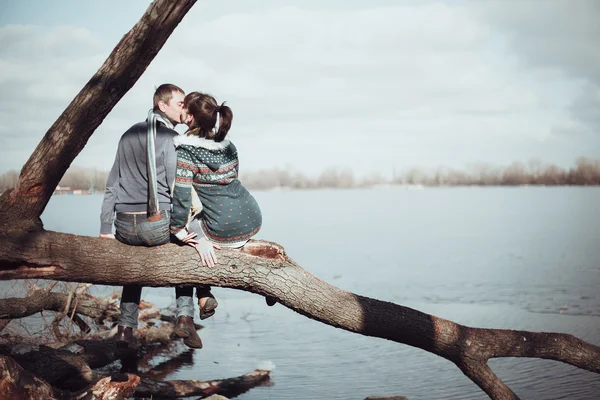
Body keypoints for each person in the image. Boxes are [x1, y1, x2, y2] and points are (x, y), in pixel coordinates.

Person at [99, 84, 205, 349]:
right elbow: (176, 189)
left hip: (123, 226)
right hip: (155, 226)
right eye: (181, 103)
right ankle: (185, 318)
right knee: (189, 245)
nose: (186, 108)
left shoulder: (126, 135)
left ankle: (125, 328)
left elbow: (112, 184)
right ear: (163, 105)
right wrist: (185, 229)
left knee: (136, 263)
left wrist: (104, 227)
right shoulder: (170, 139)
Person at [170, 91, 262, 287]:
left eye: (184, 108)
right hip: (252, 217)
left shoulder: (186, 151)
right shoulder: (229, 147)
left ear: (191, 117)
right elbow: (233, 180)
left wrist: (178, 229)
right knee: (206, 215)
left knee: (185, 231)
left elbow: (181, 195)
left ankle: (203, 289)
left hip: (223, 228)